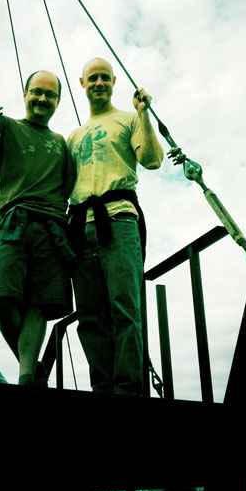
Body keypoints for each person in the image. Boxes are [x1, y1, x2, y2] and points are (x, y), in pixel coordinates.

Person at [0, 38, 74, 387]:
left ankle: (27, 376)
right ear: (26, 94)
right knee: (2, 298)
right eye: (37, 92)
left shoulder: (61, 142)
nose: (43, 99)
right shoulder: (7, 126)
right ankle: (34, 368)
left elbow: (69, 187)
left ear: (57, 101)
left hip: (51, 228)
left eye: (50, 94)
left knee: (39, 304)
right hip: (11, 223)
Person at [66, 57, 164, 396]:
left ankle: (127, 388)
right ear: (82, 83)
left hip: (119, 217)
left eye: (104, 78)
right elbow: (63, 184)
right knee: (90, 315)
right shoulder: (74, 136)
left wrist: (144, 114)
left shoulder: (128, 119)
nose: (98, 83)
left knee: (124, 306)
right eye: (92, 78)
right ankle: (102, 387)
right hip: (80, 224)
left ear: (113, 82)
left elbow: (151, 160)